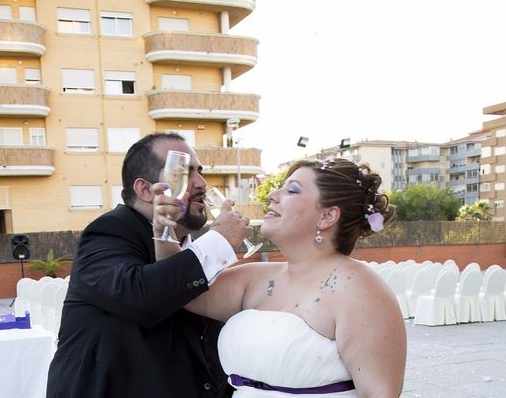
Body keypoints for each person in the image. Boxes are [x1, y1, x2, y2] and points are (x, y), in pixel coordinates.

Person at [153, 158, 407, 397]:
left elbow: (379, 393)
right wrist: (163, 227)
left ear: (327, 216)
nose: (273, 195)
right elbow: (178, 289)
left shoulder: (360, 290)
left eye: (292, 190)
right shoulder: (253, 278)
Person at [46, 133, 252, 398]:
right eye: (184, 172)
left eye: (199, 172)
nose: (200, 183)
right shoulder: (108, 232)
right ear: (144, 190)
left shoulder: (195, 253)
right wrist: (220, 240)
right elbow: (140, 297)